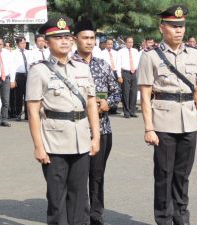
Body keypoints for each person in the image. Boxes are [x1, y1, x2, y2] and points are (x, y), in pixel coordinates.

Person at [137, 5, 197, 225]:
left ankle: (181, 216)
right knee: (164, 174)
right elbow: (145, 94)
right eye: (173, 26)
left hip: (188, 120)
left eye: (181, 26)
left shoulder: (195, 53)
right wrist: (148, 127)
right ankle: (164, 219)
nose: (179, 30)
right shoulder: (150, 56)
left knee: (182, 175)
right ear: (162, 28)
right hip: (163, 122)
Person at [26, 17, 100, 225]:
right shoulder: (38, 71)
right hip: (54, 142)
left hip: (81, 140)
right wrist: (38, 146)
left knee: (79, 197)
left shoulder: (83, 68)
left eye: (67, 37)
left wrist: (96, 137)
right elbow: (33, 112)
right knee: (57, 199)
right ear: (46, 42)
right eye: (58, 38)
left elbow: (91, 104)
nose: (65, 41)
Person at [72, 19, 121, 225]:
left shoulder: (102, 64)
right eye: (85, 38)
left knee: (97, 175)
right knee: (78, 177)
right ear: (75, 39)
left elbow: (116, 91)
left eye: (92, 38)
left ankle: (96, 215)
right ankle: (79, 215)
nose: (90, 42)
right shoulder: (68, 64)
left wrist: (107, 103)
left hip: (102, 128)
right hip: (76, 129)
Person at [117, 36, 140, 118]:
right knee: (126, 93)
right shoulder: (120, 51)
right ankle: (126, 112)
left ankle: (132, 111)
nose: (130, 44)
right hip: (125, 73)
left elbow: (138, 62)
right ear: (125, 42)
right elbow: (118, 64)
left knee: (134, 93)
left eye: (132, 42)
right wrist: (119, 76)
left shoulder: (135, 51)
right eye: (129, 42)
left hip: (134, 73)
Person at [12, 36, 30, 121]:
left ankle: (27, 114)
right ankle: (18, 114)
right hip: (18, 76)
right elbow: (11, 66)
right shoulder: (13, 53)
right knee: (19, 96)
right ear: (17, 44)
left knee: (28, 96)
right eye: (22, 43)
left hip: (28, 75)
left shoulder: (29, 52)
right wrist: (13, 79)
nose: (24, 45)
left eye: (25, 43)